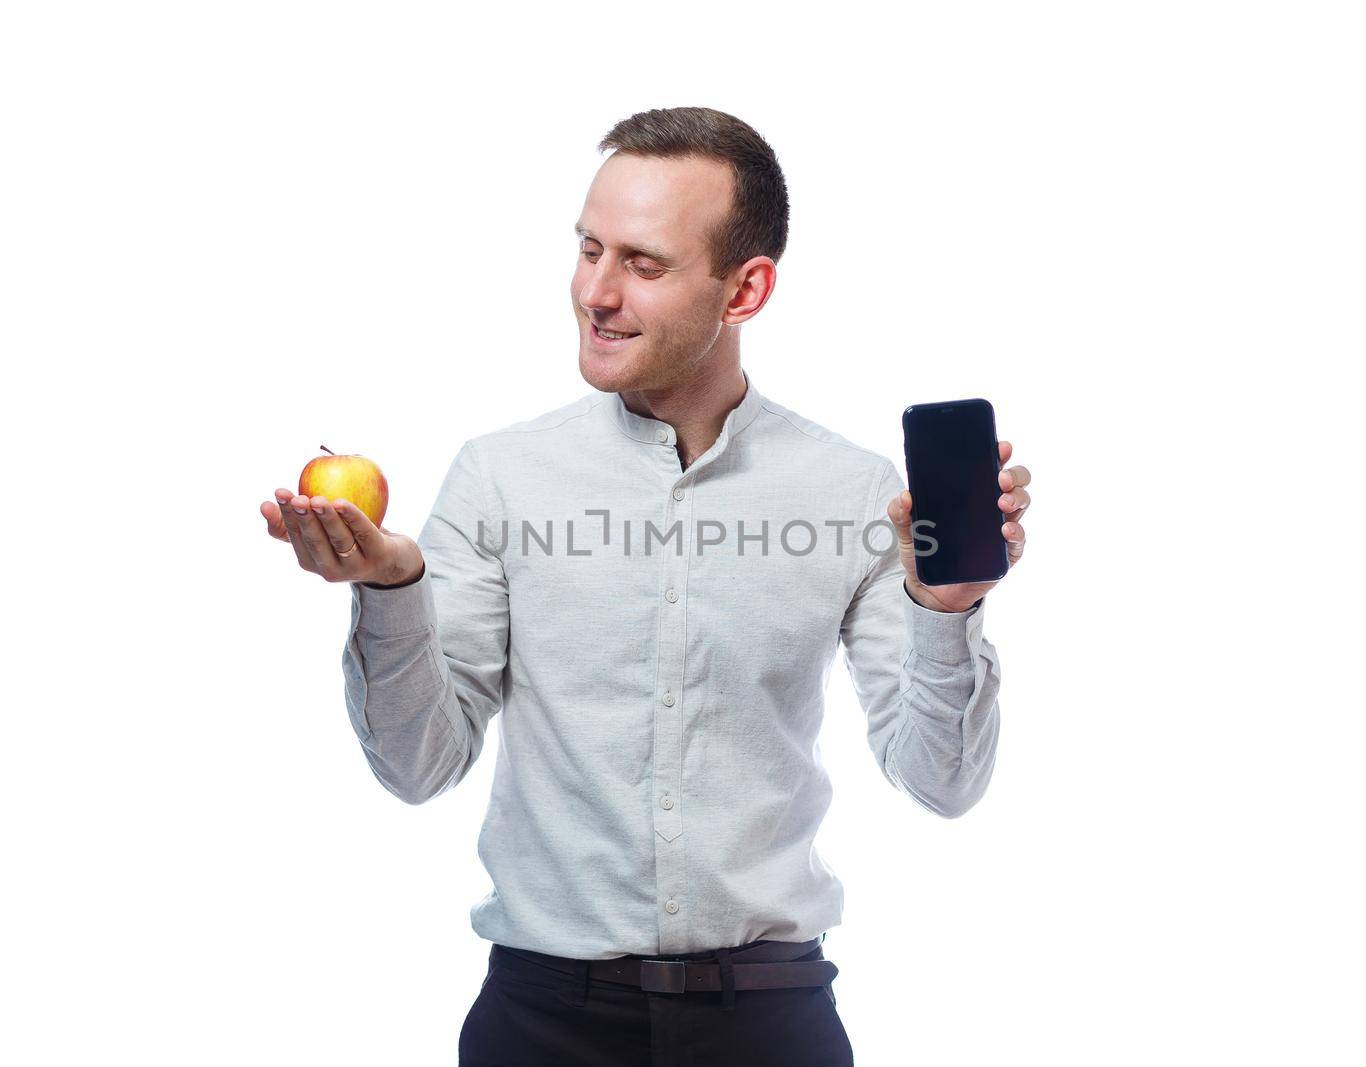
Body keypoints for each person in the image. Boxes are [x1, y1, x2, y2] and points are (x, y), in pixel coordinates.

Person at [259, 106, 1031, 1067]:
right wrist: (392, 589)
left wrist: (945, 611)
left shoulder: (856, 494)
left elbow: (942, 781)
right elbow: (419, 767)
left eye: (644, 263)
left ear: (745, 290)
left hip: (773, 1022)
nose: (596, 292)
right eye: (589, 250)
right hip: (541, 1022)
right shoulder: (500, 477)